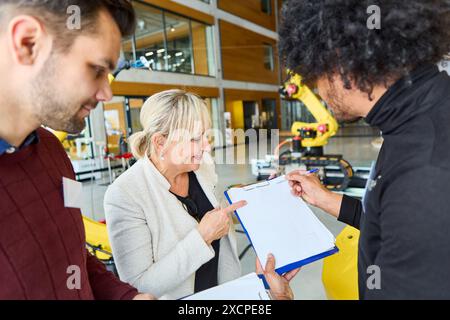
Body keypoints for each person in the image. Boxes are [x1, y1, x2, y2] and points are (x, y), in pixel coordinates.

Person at [280, 0, 450, 299]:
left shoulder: (426, 174)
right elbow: (390, 224)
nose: (318, 92)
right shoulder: (421, 116)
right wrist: (329, 200)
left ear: (341, 61)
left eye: (314, 73)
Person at [0, 0, 153, 300]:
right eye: (97, 69)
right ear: (28, 43)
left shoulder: (53, 152)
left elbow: (73, 256)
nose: (106, 93)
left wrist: (126, 297)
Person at [104, 90, 299, 300]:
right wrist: (202, 237)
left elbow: (215, 211)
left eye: (206, 135)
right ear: (160, 142)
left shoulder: (201, 166)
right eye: (195, 139)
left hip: (223, 291)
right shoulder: (125, 195)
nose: (207, 146)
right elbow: (139, 287)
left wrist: (258, 193)